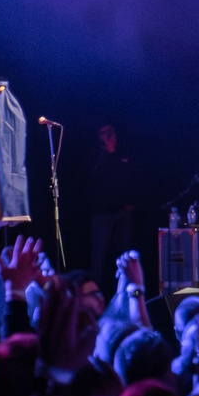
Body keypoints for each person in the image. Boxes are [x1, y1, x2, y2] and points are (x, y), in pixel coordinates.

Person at [89, 122, 139, 289]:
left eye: (111, 132)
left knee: (123, 255)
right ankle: (94, 294)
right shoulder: (96, 156)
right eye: (105, 133)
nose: (109, 136)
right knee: (99, 257)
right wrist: (105, 151)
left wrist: (130, 201)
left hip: (122, 212)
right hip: (102, 213)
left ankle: (124, 291)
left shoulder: (123, 154)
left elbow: (130, 178)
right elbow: (94, 177)